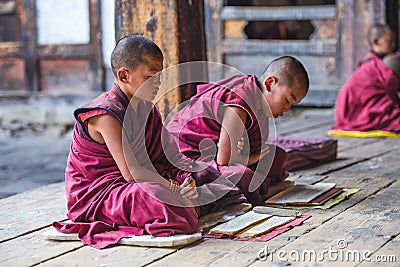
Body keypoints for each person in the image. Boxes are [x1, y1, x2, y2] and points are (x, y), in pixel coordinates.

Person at [52, 34, 245, 249]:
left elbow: (168, 158)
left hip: (146, 180)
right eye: (152, 76)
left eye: (161, 76)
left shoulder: (147, 109)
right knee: (157, 196)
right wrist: (174, 189)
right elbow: (132, 174)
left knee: (205, 174)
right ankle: (186, 207)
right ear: (124, 75)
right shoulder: (105, 115)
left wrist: (185, 179)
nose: (159, 83)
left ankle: (188, 204)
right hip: (102, 196)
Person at [166, 56, 309, 205]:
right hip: (187, 155)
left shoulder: (259, 103)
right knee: (246, 177)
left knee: (277, 156)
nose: (287, 109)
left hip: (217, 152)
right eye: (287, 101)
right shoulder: (240, 99)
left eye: (292, 105)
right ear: (270, 83)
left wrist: (243, 152)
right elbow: (225, 160)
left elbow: (247, 146)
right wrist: (253, 157)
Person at [332, 25, 400, 133]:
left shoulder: (377, 62)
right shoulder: (371, 66)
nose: (394, 44)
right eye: (390, 41)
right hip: (357, 113)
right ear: (376, 42)